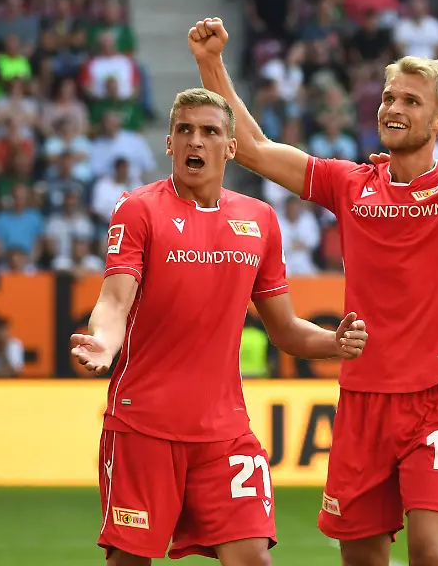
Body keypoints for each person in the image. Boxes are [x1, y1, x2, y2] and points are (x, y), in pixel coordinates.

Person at [187, 17, 438, 566]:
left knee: (430, 552)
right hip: (362, 401)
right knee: (361, 559)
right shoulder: (349, 184)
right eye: (388, 98)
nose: (393, 108)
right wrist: (211, 62)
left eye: (411, 101)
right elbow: (252, 148)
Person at [69, 87, 369, 566]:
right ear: (169, 142)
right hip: (144, 426)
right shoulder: (138, 209)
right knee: (128, 561)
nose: (196, 140)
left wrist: (334, 341)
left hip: (225, 433)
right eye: (184, 130)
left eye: (210, 131)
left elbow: (285, 329)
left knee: (254, 559)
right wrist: (104, 341)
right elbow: (114, 298)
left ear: (231, 147)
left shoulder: (260, 219)